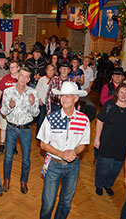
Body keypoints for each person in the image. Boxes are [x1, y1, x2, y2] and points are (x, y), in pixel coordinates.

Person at [37, 82, 90, 219]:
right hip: (54, 164)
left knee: (66, 202)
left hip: (73, 166)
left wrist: (74, 152)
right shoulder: (51, 118)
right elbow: (43, 144)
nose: (64, 99)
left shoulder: (84, 120)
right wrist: (61, 154)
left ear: (76, 98)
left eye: (68, 96)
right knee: (48, 202)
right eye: (62, 96)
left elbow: (83, 144)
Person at [94, 83, 126, 196]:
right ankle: (99, 185)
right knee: (104, 167)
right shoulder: (109, 105)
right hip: (107, 141)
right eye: (121, 92)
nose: (123, 95)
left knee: (116, 168)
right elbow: (100, 121)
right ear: (117, 93)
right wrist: (97, 138)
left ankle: (108, 184)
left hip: (124, 144)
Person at [1, 67, 40, 194]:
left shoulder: (33, 92)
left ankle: (24, 182)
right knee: (7, 158)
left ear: (29, 79)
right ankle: (6, 181)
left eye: (26, 77)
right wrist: (9, 106)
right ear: (17, 76)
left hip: (26, 130)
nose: (23, 79)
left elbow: (36, 114)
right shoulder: (8, 91)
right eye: (21, 75)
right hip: (11, 128)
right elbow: (3, 112)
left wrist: (33, 103)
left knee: (26, 159)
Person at [0, 60, 20, 154]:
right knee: (3, 127)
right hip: (5, 108)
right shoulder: (5, 78)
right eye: (10, 67)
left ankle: (14, 147)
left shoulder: (22, 79)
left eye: (14, 67)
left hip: (17, 110)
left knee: (16, 128)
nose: (12, 69)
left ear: (18, 68)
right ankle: (2, 145)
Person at [36, 64, 56, 135]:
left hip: (52, 103)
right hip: (43, 102)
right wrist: (39, 99)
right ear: (46, 71)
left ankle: (50, 135)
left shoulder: (56, 79)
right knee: (41, 119)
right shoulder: (42, 79)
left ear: (54, 71)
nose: (50, 72)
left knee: (52, 119)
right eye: (49, 70)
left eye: (52, 70)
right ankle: (39, 134)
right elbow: (37, 90)